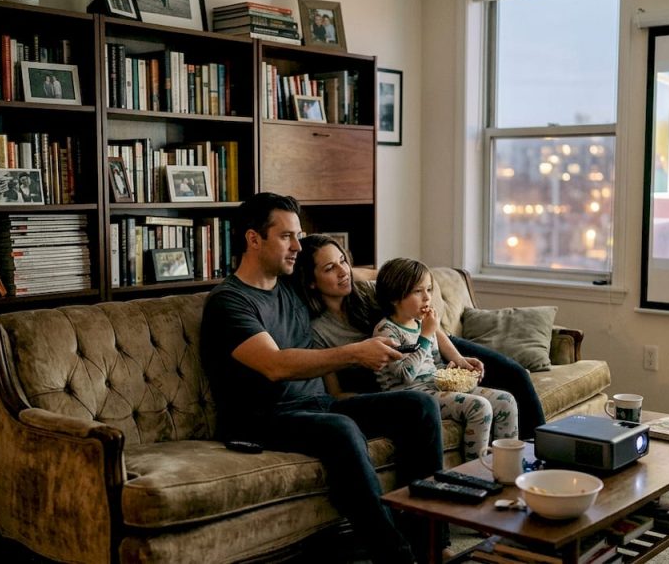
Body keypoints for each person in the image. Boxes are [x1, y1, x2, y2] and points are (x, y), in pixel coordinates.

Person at [200, 193, 443, 564]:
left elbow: (342, 270)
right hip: (263, 419)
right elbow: (275, 365)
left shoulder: (291, 285)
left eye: (299, 236)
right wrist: (355, 352)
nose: (297, 246)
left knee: (419, 406)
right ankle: (395, 556)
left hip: (317, 404)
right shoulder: (230, 302)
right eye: (286, 237)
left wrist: (385, 281)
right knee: (340, 428)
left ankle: (430, 541)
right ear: (253, 239)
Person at [291, 234, 547, 439]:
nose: (342, 271)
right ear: (311, 281)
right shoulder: (319, 331)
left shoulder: (367, 294)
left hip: (431, 339)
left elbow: (415, 309)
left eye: (343, 261)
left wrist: (456, 358)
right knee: (486, 400)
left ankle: (540, 453)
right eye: (329, 268)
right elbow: (336, 391)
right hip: (409, 364)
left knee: (515, 374)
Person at [373, 257, 518, 461]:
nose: (427, 298)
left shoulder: (420, 323)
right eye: (418, 291)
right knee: (480, 407)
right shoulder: (386, 331)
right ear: (394, 297)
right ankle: (475, 473)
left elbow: (433, 362)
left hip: (434, 386)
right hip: (410, 395)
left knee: (506, 400)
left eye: (429, 290)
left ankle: (507, 465)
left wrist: (458, 365)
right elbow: (406, 375)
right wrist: (425, 336)